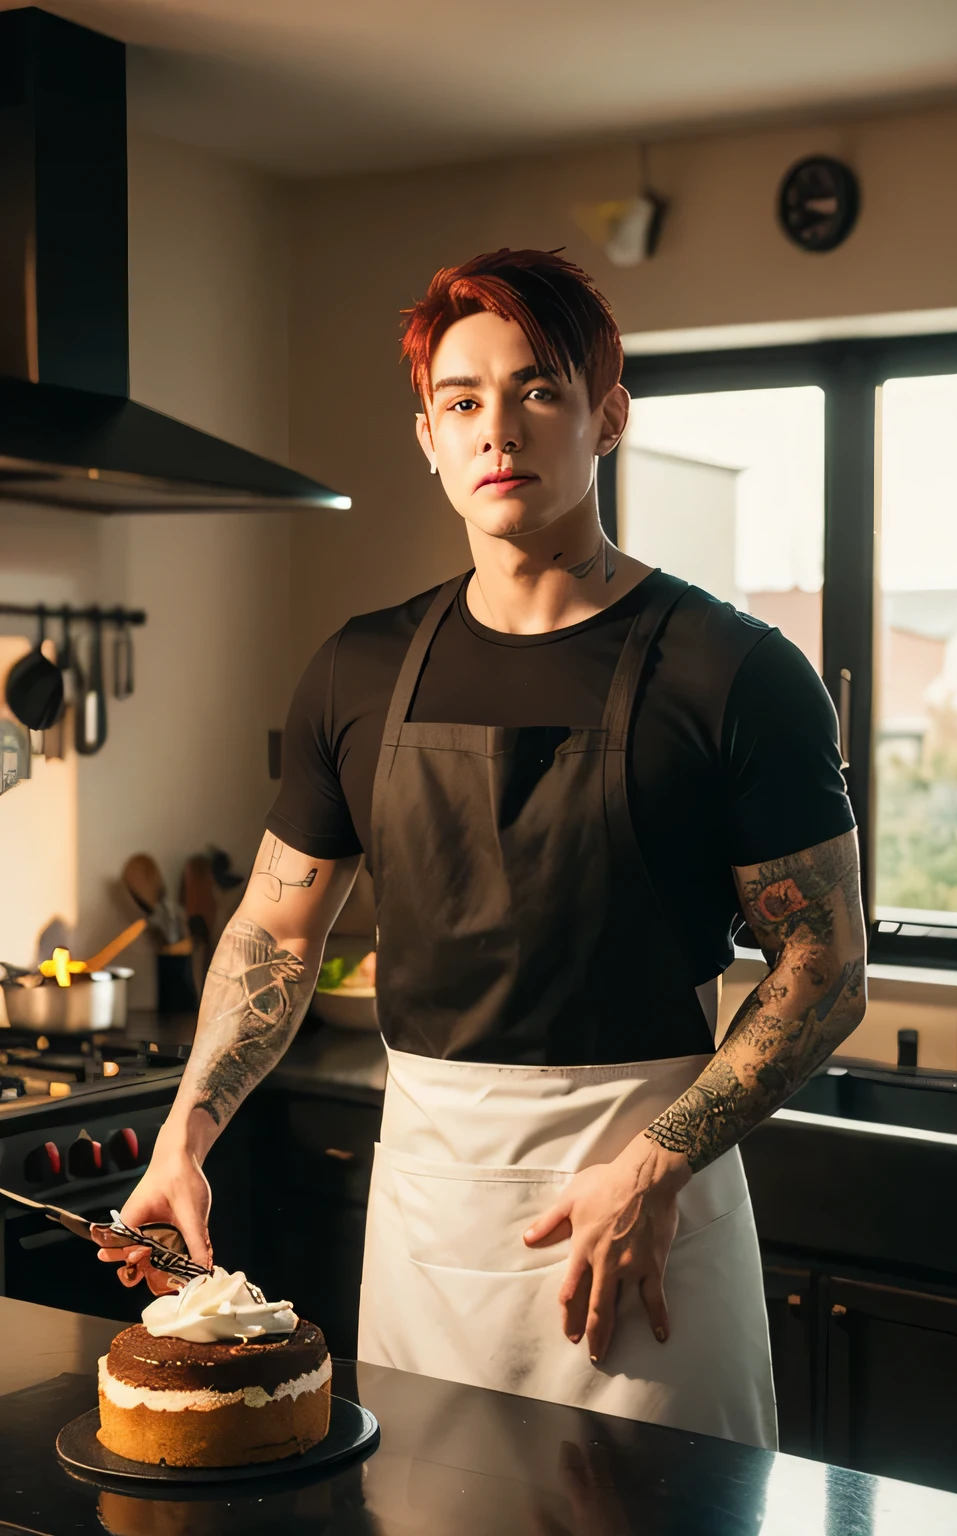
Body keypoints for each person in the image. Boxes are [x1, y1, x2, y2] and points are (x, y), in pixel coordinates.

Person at [106, 248, 866, 1449]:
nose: (496, 430)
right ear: (427, 435)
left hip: (647, 1215)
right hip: (428, 1223)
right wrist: (187, 1134)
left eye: (538, 391)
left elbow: (825, 964)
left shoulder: (736, 674)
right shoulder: (356, 669)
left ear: (606, 418)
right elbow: (274, 928)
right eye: (462, 401)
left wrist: (655, 1166)